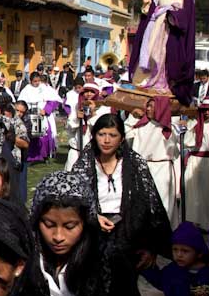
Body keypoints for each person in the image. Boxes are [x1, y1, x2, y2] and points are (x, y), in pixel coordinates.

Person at [31, 171, 152, 296]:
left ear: (87, 223)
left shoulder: (109, 263)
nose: (58, 236)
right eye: (48, 225)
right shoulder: (28, 261)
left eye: (70, 226)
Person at [70, 114, 172, 270]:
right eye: (101, 134)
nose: (106, 140)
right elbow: (73, 201)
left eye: (112, 135)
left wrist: (150, 247)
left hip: (128, 235)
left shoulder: (134, 164)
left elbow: (149, 205)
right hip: (93, 235)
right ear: (94, 136)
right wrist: (93, 216)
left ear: (122, 138)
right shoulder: (84, 164)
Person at [130, 0, 196, 105]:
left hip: (170, 27)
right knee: (152, 52)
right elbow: (152, 9)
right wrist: (147, 3)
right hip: (157, 25)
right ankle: (150, 80)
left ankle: (163, 81)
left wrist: (172, 14)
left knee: (164, 54)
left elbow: (186, 11)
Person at [126, 98, 180, 226]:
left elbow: (177, 151)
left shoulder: (170, 129)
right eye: (147, 106)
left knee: (164, 202)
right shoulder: (142, 125)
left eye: (151, 106)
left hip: (163, 170)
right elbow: (126, 133)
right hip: (143, 169)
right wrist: (132, 118)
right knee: (143, 203)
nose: (148, 109)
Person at [65, 82, 110, 171]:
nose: (89, 94)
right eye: (86, 91)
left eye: (92, 92)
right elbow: (69, 128)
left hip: (94, 153)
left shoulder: (104, 108)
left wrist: (93, 114)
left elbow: (103, 129)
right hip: (77, 149)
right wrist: (78, 119)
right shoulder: (77, 105)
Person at [18, 71, 62, 162]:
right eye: (34, 81)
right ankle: (32, 156)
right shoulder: (26, 89)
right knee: (31, 135)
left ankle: (44, 155)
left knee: (43, 136)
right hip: (30, 114)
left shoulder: (45, 88)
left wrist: (45, 110)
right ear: (31, 81)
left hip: (42, 114)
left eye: (38, 81)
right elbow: (21, 102)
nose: (37, 83)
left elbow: (54, 100)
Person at [182, 99, 209, 230]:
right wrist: (193, 127)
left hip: (207, 162)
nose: (207, 112)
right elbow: (188, 142)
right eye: (205, 110)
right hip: (195, 161)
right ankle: (195, 223)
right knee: (193, 194)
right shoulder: (196, 125)